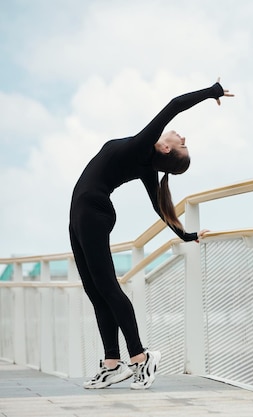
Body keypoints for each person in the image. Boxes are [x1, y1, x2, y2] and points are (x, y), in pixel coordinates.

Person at [69, 77, 234, 389]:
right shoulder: (146, 163)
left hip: (92, 212)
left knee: (107, 287)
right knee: (95, 290)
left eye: (182, 142)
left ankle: (141, 358)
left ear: (167, 147)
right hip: (81, 213)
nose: (182, 135)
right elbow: (161, 208)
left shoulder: (144, 147)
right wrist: (186, 235)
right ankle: (112, 363)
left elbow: (174, 105)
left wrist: (213, 91)